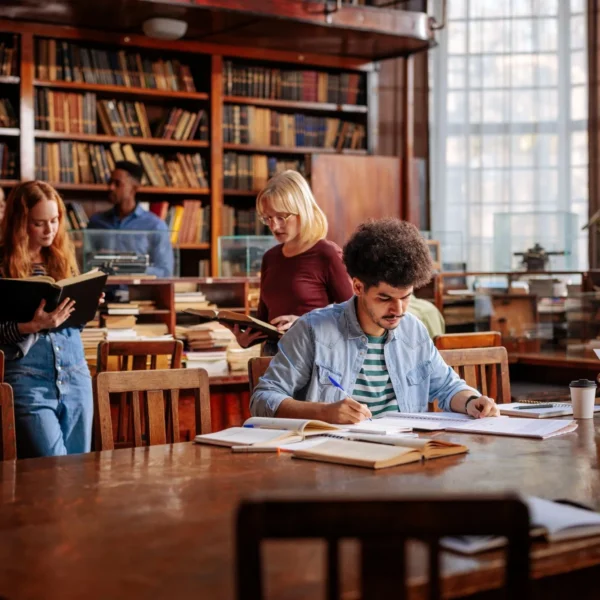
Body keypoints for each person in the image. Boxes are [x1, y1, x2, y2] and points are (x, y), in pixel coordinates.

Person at [250, 218, 500, 423]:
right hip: (335, 459)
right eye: (385, 298)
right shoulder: (312, 330)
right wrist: (323, 412)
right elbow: (262, 399)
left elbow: (447, 387)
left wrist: (471, 401)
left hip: (404, 458)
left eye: (406, 297)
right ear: (358, 287)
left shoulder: (414, 331)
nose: (398, 309)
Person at [0, 181, 97, 457]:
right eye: (39, 223)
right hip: (28, 378)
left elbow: (74, 323)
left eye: (54, 220)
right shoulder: (3, 264)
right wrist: (31, 326)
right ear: (20, 223)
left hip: (76, 372)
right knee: (51, 468)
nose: (49, 230)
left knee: (78, 471)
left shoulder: (62, 258)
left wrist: (87, 303)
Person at [233, 170, 353, 355]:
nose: (274, 226)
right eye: (267, 218)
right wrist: (246, 339)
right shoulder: (270, 258)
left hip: (314, 358)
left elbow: (353, 316)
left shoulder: (327, 254)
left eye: (282, 217)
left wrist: (305, 323)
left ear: (302, 211)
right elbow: (264, 320)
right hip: (274, 359)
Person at [87, 161, 174, 277]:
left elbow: (165, 272)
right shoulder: (96, 222)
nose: (111, 187)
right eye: (110, 182)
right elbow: (85, 264)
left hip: (137, 292)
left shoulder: (155, 226)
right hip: (103, 292)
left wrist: (132, 268)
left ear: (134, 188)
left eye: (118, 183)